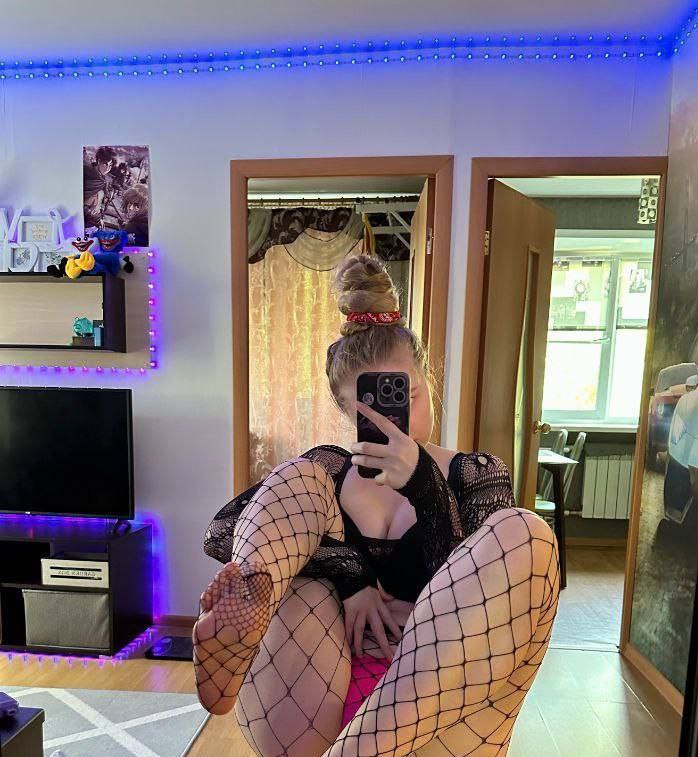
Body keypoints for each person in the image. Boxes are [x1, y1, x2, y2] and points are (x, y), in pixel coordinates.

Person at [195, 254, 560, 757]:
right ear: (347, 410)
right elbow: (220, 531)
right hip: (314, 692)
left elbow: (488, 592)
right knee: (299, 477)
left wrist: (423, 483)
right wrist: (351, 577)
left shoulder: (476, 475)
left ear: (427, 380)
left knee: (524, 533)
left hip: (440, 713)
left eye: (407, 395)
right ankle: (249, 604)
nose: (396, 419)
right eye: (374, 407)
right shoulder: (328, 472)